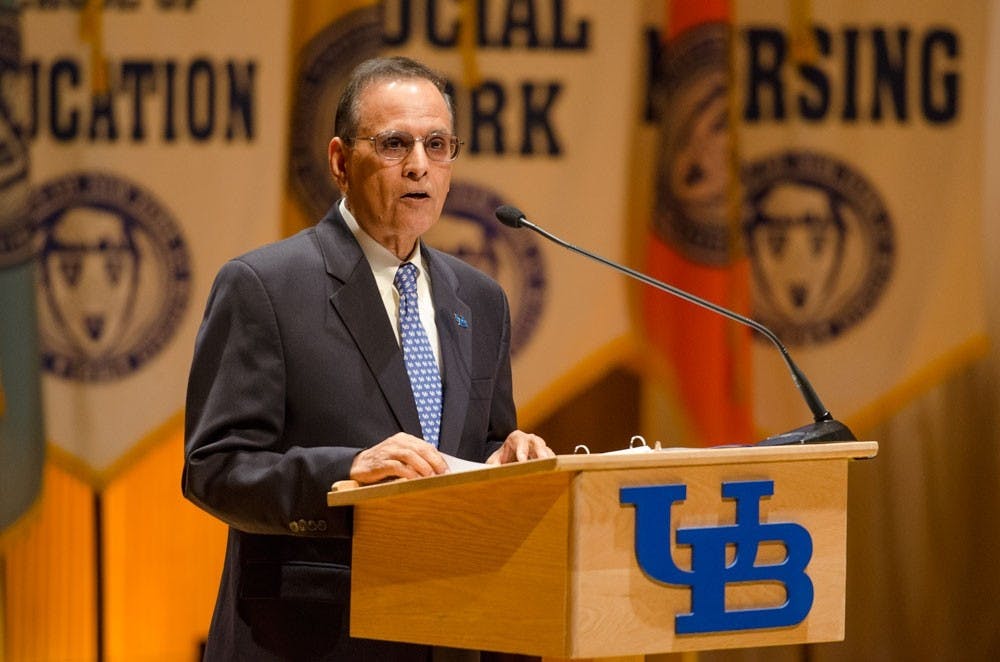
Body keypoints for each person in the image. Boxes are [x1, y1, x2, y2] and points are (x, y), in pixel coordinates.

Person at [182, 55, 554, 661]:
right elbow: (215, 469)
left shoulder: (481, 300)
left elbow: (473, 446)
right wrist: (348, 471)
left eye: (438, 145)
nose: (419, 166)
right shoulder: (264, 286)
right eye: (393, 144)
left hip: (452, 629)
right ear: (339, 161)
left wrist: (505, 459)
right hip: (311, 638)